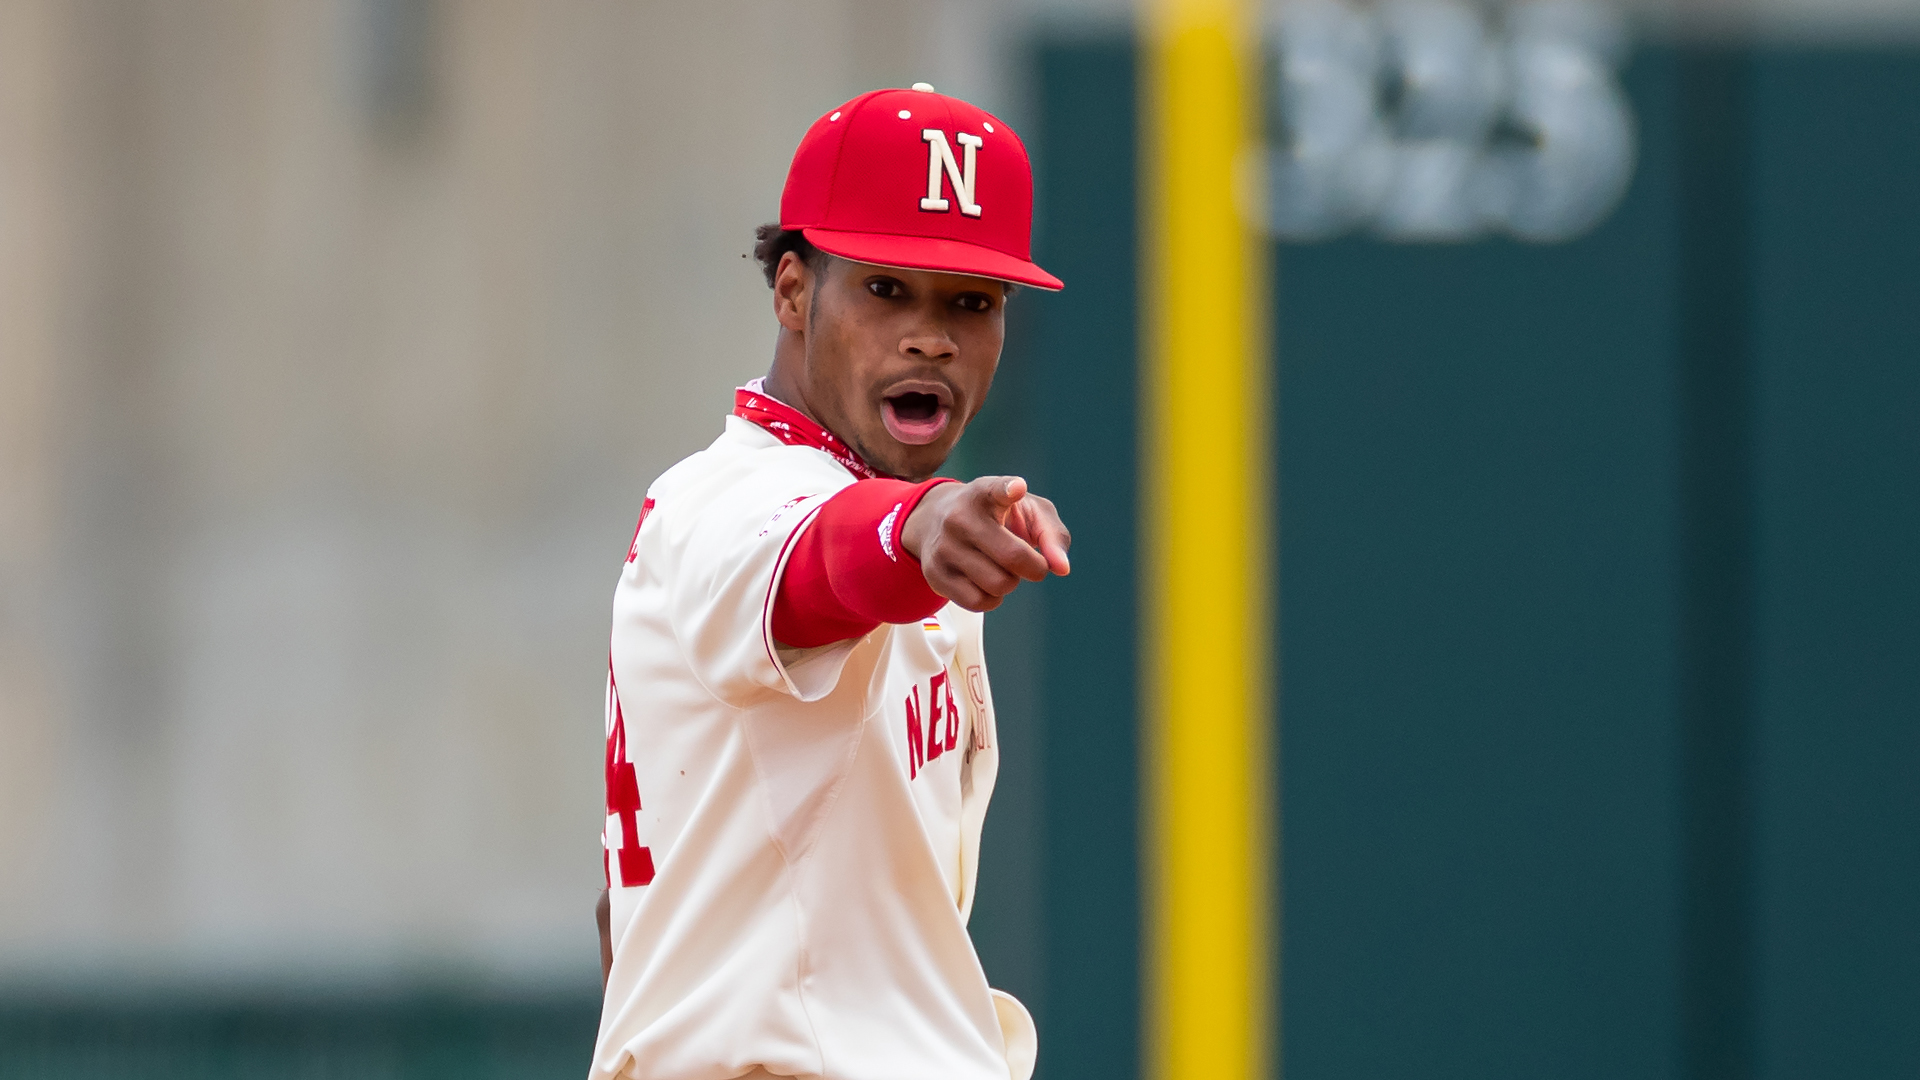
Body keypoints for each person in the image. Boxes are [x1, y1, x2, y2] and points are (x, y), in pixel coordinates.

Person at [589, 83, 1069, 1080]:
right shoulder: (724, 503)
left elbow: (624, 916)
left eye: (970, 303)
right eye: (886, 289)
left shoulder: (868, 495)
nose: (929, 335)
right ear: (796, 293)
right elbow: (814, 560)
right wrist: (922, 525)